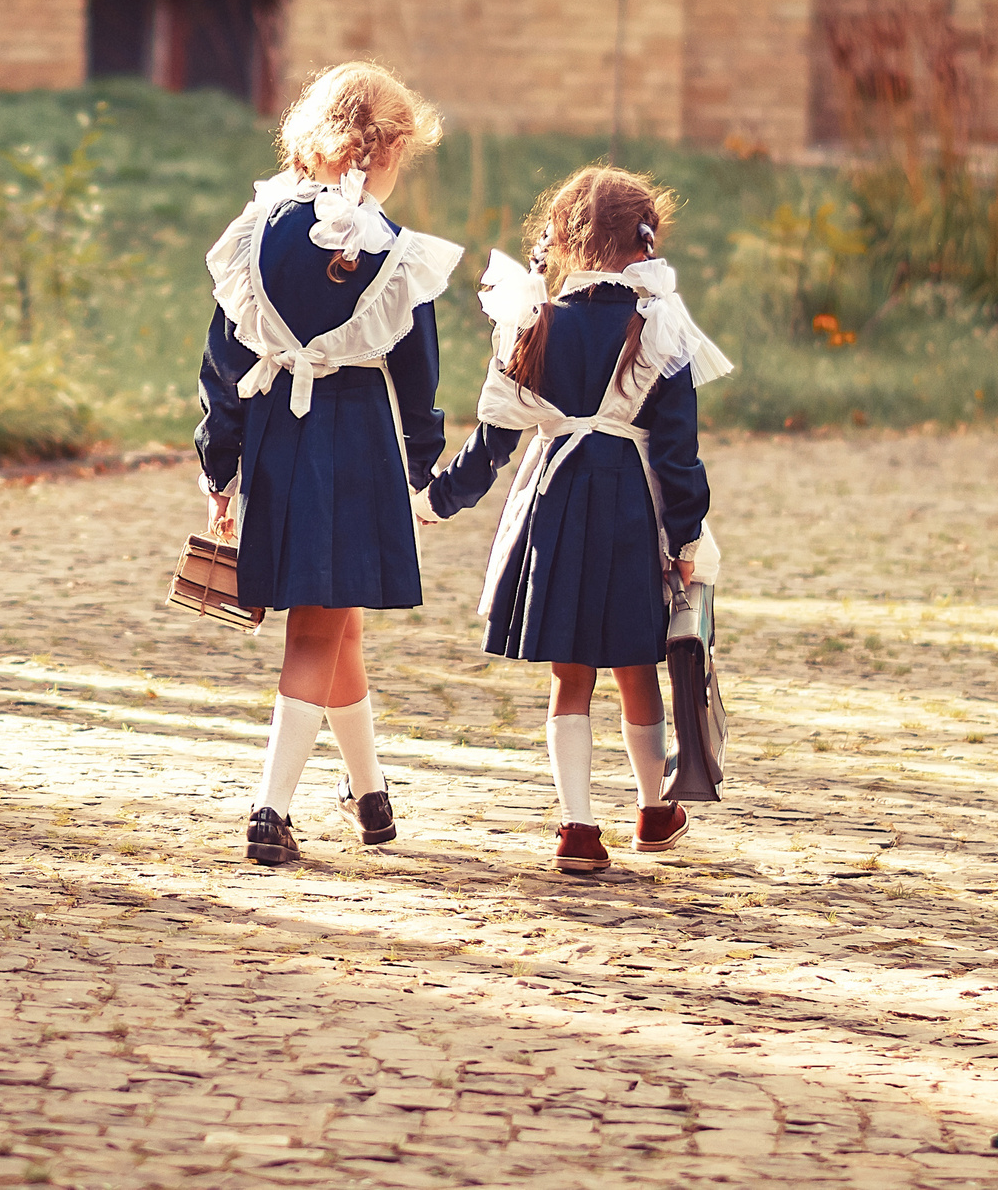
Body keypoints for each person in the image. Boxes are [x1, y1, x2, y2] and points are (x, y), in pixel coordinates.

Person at [419, 166, 730, 874]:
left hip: (553, 505)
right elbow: (679, 455)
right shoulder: (658, 327)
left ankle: (578, 827)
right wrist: (687, 535)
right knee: (635, 668)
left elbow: (493, 438)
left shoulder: (533, 320)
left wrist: (440, 498)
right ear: (647, 243)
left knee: (571, 674)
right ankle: (654, 812)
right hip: (629, 509)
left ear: (559, 240)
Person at [197, 62, 463, 866]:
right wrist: (423, 467)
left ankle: (370, 797)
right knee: (317, 627)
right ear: (386, 156)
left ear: (309, 142)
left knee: (334, 617)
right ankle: (269, 809)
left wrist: (221, 466)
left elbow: (222, 358)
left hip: (280, 431)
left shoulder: (256, 231)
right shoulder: (393, 252)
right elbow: (419, 373)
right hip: (353, 441)